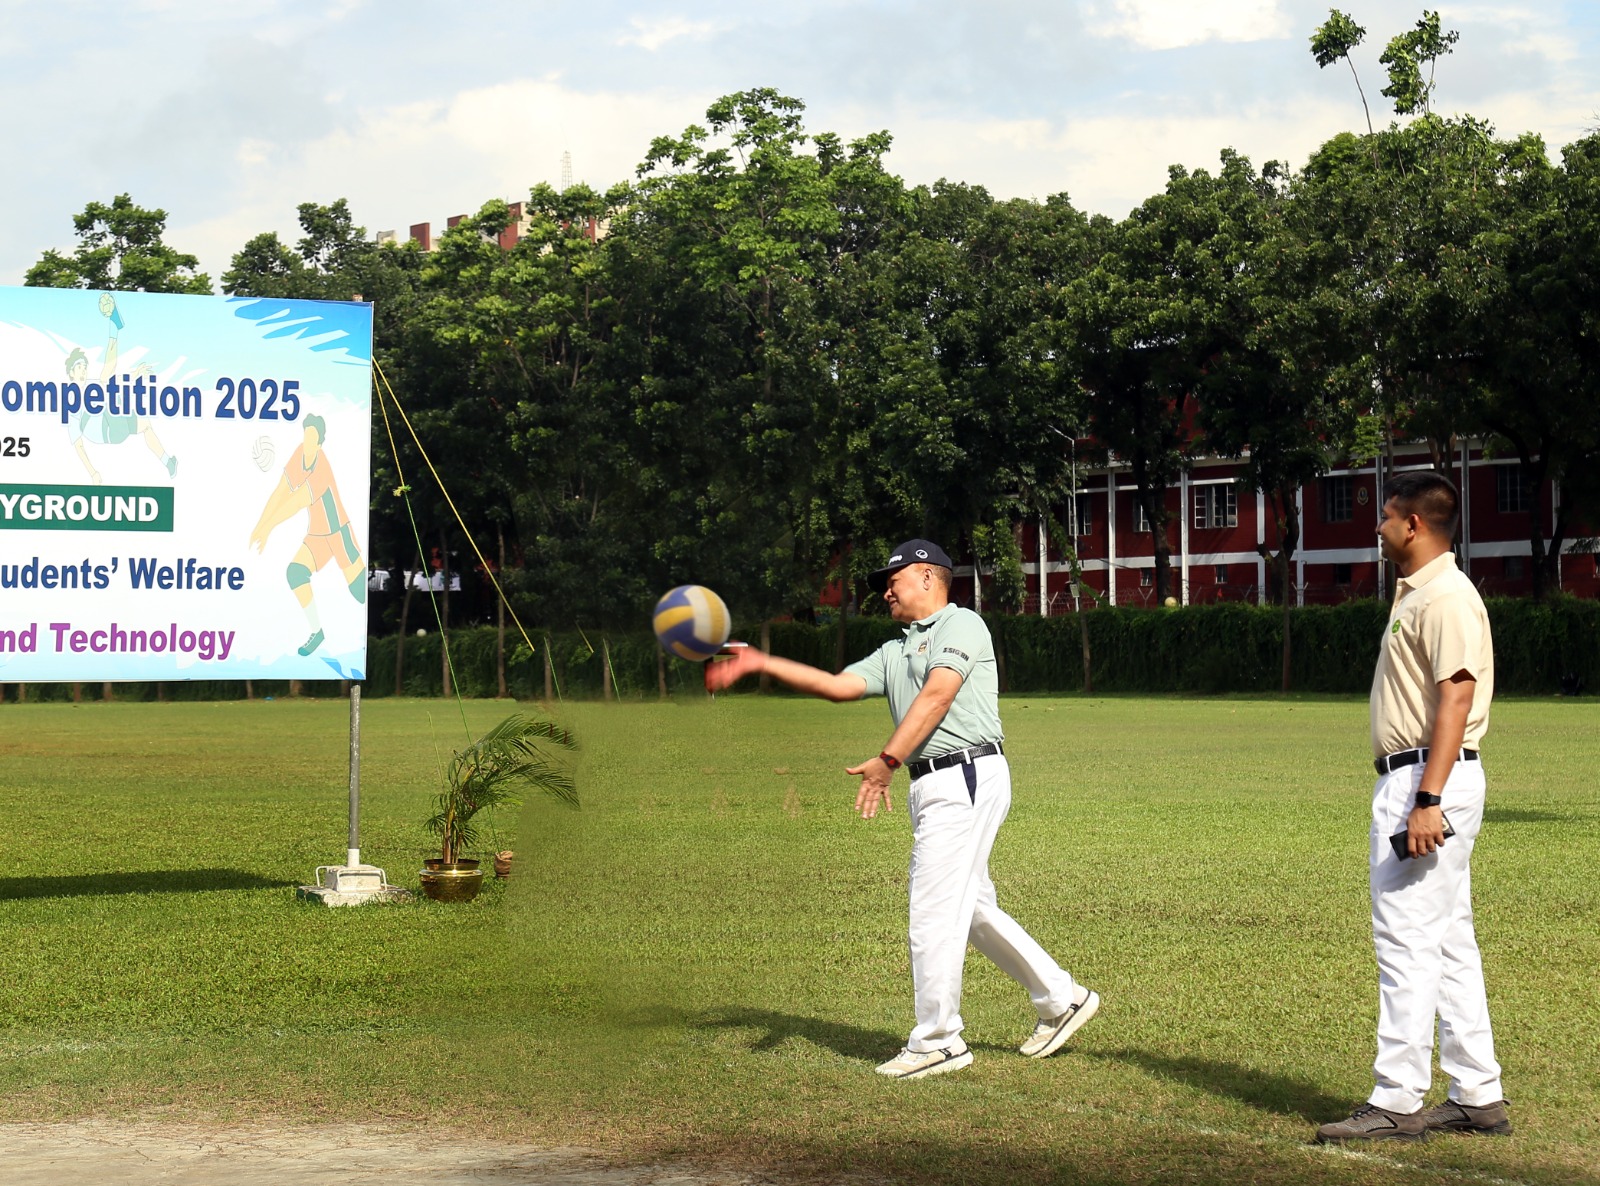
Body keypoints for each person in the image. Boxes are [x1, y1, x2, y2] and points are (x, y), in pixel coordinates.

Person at [706, 538, 1097, 1080]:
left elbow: (938, 695)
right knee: (971, 910)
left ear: (928, 576)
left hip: (964, 774)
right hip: (936, 783)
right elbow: (838, 685)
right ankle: (1060, 998)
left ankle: (939, 1041)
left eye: (893, 581)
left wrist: (888, 759)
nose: (885, 592)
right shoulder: (897, 649)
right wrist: (760, 661)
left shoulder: (961, 624)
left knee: (933, 911)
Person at [1316, 473, 1510, 1144]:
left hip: (1426, 778)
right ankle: (1477, 1093)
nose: (1377, 527)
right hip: (1427, 775)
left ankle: (1397, 1099)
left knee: (1405, 937)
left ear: (1414, 525)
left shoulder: (1446, 596)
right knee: (1448, 937)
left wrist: (1427, 798)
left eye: (1386, 516)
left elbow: (1457, 697)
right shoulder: (1422, 591)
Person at [247, 415, 367, 657]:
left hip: (339, 533)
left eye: (313, 437)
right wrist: (259, 526)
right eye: (306, 434)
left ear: (320, 443)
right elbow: (280, 492)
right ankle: (317, 631)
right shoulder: (300, 453)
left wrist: (268, 527)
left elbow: (296, 502)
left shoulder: (321, 467)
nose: (308, 440)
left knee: (359, 592)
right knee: (295, 572)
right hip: (317, 536)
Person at [66, 293, 178, 483]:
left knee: (145, 424)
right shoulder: (70, 402)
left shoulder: (91, 386)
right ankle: (114, 326)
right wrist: (93, 473)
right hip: (106, 430)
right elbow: (78, 445)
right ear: (71, 373)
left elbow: (115, 383)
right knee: (106, 379)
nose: (83, 370)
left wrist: (135, 375)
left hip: (116, 423)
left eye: (84, 366)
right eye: (78, 367)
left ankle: (169, 463)